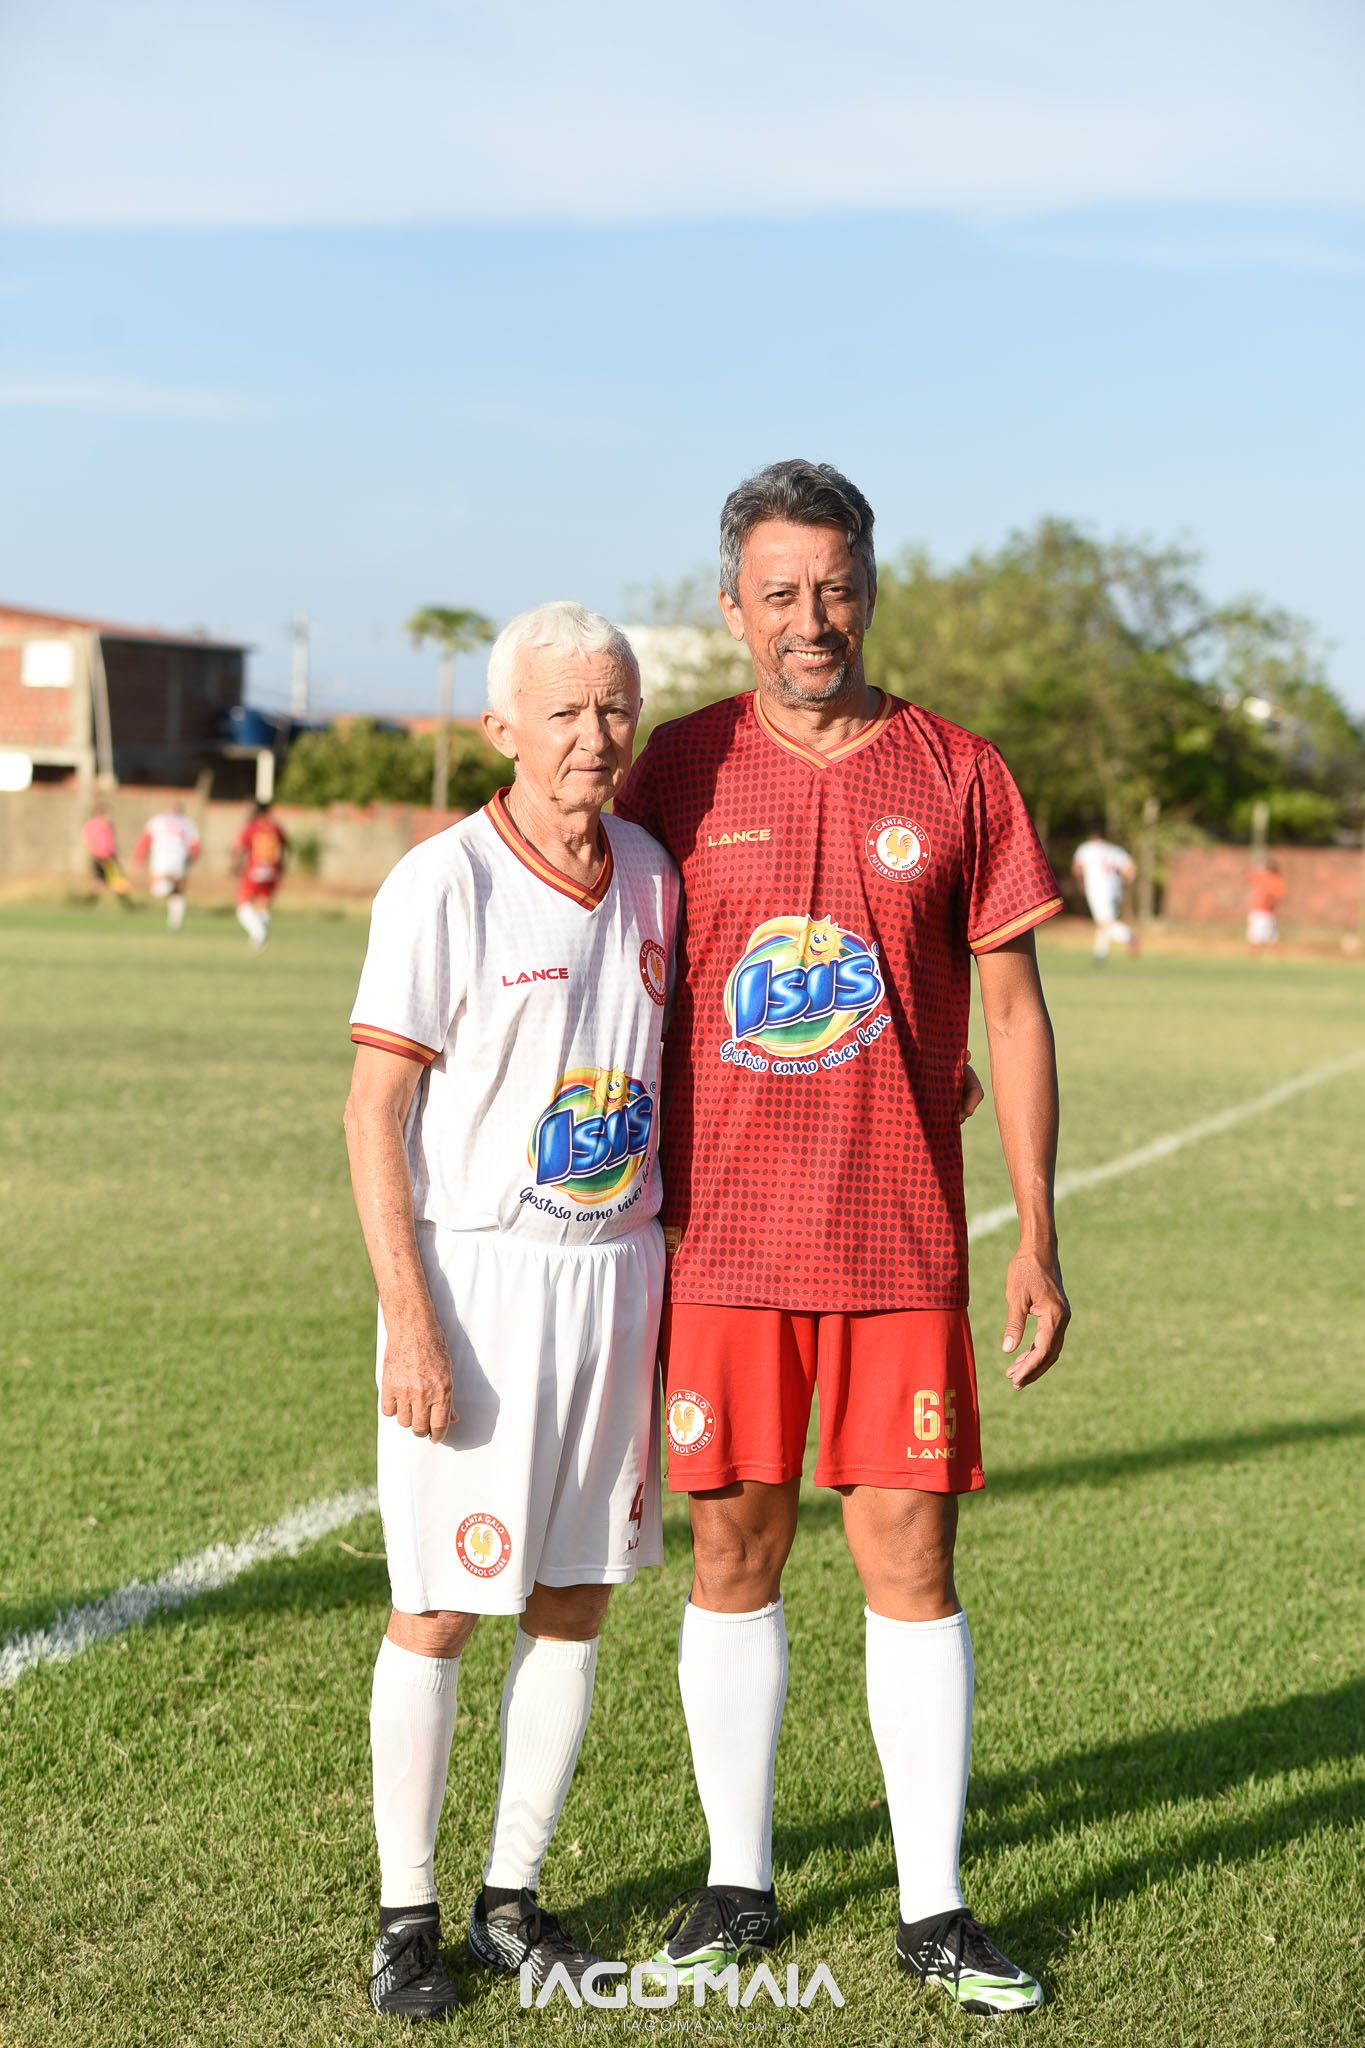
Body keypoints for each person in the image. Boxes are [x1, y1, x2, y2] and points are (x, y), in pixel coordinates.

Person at [613, 460, 1070, 2019]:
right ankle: (737, 1882)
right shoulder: (675, 771)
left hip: (896, 1250)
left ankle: (934, 1908)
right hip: (721, 1252)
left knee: (910, 1563)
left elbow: (1014, 1013)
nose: (810, 618)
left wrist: (1035, 1235)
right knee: (729, 1557)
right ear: (731, 607)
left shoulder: (957, 772)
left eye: (835, 588)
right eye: (780, 593)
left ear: (869, 593)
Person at [344, 602, 679, 2020]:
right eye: (563, 712)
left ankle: (509, 1901)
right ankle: (405, 1915)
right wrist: (409, 1320)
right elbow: (373, 1112)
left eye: (613, 709)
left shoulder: (653, 872)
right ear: (501, 729)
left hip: (617, 1275)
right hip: (479, 1282)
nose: (594, 736)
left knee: (576, 1597)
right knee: (437, 1607)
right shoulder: (446, 881)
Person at [133, 799, 201, 930]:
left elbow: (145, 839)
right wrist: (192, 859)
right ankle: (175, 923)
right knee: (178, 893)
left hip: (161, 858)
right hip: (179, 858)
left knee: (158, 890)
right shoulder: (187, 823)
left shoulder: (158, 820)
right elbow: (196, 845)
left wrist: (139, 858)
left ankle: (169, 886)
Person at [1071, 833, 1138, 962]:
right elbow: (1130, 871)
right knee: (1104, 922)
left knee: (1105, 923)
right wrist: (1123, 883)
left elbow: (1077, 867)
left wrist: (1080, 882)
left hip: (1097, 890)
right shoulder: (1115, 850)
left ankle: (1129, 936)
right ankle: (1099, 955)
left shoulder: (1086, 848)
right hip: (1115, 891)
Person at [231, 799, 288, 948]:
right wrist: (281, 868)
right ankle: (261, 934)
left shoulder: (251, 826)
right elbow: (285, 847)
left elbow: (239, 847)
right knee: (263, 904)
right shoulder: (277, 827)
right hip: (273, 870)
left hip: (255, 870)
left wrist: (234, 865)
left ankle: (259, 933)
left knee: (243, 904)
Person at [80, 803, 132, 901]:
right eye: (108, 815)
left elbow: (112, 842)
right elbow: (90, 842)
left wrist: (117, 854)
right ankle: (126, 902)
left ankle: (88, 901)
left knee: (107, 881)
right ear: (101, 814)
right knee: (105, 880)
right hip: (101, 857)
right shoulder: (94, 826)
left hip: (110, 857)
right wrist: (99, 857)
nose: (110, 817)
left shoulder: (109, 826)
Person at [1246, 858, 1286, 947]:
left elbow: (1277, 897)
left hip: (1266, 912)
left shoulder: (1275, 880)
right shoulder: (1262, 877)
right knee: (1261, 939)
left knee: (1264, 939)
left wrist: (1271, 902)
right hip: (1259, 911)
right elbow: (1249, 877)